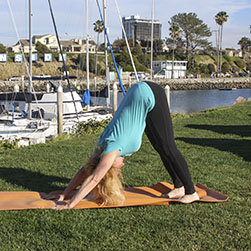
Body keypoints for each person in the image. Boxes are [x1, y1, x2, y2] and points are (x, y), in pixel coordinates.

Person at [52, 81, 199, 210]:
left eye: (116, 169)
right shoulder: (101, 147)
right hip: (139, 97)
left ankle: (191, 192)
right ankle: (179, 187)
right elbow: (85, 171)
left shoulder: (112, 149)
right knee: (161, 147)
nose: (121, 167)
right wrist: (63, 195)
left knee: (168, 147)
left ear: (108, 164)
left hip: (150, 92)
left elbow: (94, 178)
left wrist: (70, 204)